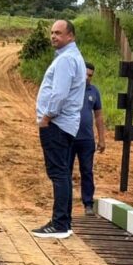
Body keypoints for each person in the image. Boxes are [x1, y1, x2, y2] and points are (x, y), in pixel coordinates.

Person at [33, 20, 86, 238]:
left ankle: (60, 223)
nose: (54, 36)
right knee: (62, 172)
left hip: (57, 123)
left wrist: (46, 117)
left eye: (59, 33)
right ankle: (63, 221)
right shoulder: (72, 57)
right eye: (52, 32)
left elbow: (60, 94)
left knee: (58, 173)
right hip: (65, 124)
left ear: (70, 36)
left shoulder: (66, 60)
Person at [73, 62, 107, 216]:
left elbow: (99, 116)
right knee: (65, 171)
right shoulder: (70, 89)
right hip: (69, 137)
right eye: (85, 74)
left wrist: (101, 139)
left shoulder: (94, 92)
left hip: (87, 140)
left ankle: (88, 203)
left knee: (87, 171)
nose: (87, 77)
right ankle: (65, 203)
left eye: (90, 75)